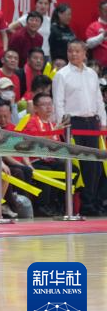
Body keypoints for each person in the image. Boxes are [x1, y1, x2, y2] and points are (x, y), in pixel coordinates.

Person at [52, 39, 106, 216]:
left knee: (95, 164)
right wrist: (61, 126)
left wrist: (103, 123)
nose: (74, 54)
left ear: (85, 53)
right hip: (73, 123)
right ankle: (82, 204)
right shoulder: (62, 75)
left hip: (93, 122)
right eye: (70, 51)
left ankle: (92, 202)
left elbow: (98, 99)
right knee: (79, 164)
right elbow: (58, 102)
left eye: (77, 51)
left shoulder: (92, 74)